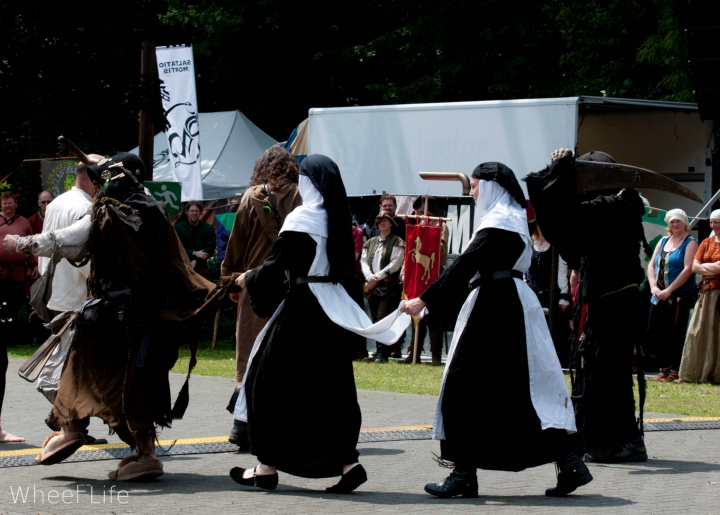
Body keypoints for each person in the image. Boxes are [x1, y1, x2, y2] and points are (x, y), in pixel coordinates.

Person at [6, 153, 219, 480]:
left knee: (87, 371)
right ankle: (131, 448)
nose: (103, 184)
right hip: (147, 318)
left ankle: (78, 432)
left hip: (113, 318)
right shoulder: (155, 211)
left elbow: (69, 241)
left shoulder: (110, 211)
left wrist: (23, 243)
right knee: (136, 383)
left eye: (107, 178)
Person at [402, 162, 589, 498]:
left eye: (474, 186)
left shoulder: (500, 220)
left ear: (491, 185)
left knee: (463, 385)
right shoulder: (511, 216)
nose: (471, 193)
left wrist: (424, 299)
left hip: (496, 307)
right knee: (519, 391)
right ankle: (569, 462)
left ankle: (463, 474)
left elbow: (465, 264)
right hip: (508, 303)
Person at [231, 154, 409, 493]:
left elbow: (276, 265)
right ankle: (348, 464)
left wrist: (247, 279)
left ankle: (266, 467)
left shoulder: (304, 218)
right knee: (331, 389)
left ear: (310, 184)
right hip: (330, 312)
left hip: (301, 311)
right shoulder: (337, 220)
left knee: (267, 382)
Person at [525, 149, 649, 464]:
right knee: (607, 373)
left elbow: (567, 221)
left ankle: (625, 441)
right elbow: (570, 235)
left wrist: (559, 173)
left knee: (610, 374)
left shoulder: (612, 205)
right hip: (612, 302)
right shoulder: (617, 204)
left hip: (615, 304)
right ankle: (612, 439)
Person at [221, 147, 302, 448]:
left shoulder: (251, 196)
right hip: (289, 286)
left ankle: (241, 427)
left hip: (253, 286)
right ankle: (280, 426)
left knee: (248, 356)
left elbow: (236, 244)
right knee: (283, 356)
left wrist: (230, 280)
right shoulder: (300, 195)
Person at [646, 209, 698, 383]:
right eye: (672, 222)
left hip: (678, 297)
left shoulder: (690, 242)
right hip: (658, 295)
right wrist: (653, 286)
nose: (675, 224)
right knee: (654, 331)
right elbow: (651, 264)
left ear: (684, 223)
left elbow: (688, 269)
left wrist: (670, 290)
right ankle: (664, 368)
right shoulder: (663, 241)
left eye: (679, 221)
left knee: (675, 333)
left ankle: (675, 370)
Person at [402, 195, 448, 366]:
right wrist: (403, 272)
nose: (420, 215)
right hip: (416, 274)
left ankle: (436, 355)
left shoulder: (440, 226)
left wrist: (429, 232)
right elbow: (409, 253)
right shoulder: (416, 228)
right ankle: (414, 352)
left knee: (433, 318)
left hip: (434, 274)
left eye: (423, 212)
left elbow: (441, 252)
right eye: (418, 212)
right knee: (416, 316)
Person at [0, 191, 31, 444]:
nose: (7, 205)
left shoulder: (24, 222)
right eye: (4, 202)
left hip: (15, 282)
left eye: (10, 201)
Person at [677, 209, 720, 384]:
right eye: (712, 222)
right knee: (698, 332)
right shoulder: (705, 243)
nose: (713, 225)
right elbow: (694, 267)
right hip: (705, 292)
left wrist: (706, 268)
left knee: (716, 332)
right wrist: (712, 268)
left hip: (718, 294)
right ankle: (694, 372)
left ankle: (716, 372)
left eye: (717, 222)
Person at [362, 211, 406, 362]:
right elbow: (363, 261)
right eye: (380, 220)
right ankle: (380, 351)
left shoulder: (397, 241)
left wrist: (377, 277)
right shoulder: (370, 242)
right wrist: (369, 277)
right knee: (375, 317)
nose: (382, 223)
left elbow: (395, 263)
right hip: (373, 286)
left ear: (391, 224)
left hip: (389, 287)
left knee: (382, 317)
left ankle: (383, 352)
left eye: (385, 220)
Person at [175, 201, 216, 278]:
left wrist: (195, 260)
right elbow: (176, 247)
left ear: (200, 212)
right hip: (183, 265)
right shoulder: (178, 228)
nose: (194, 213)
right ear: (187, 212)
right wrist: (194, 252)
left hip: (201, 266)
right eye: (192, 211)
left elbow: (210, 247)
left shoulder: (208, 228)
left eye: (197, 211)